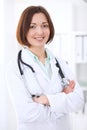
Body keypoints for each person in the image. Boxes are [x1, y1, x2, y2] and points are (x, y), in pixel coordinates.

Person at [6, 5, 84, 130]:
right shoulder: (14, 67)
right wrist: (62, 102)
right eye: (32, 26)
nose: (40, 32)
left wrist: (47, 100)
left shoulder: (60, 63)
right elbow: (26, 114)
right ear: (23, 29)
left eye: (44, 25)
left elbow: (79, 101)